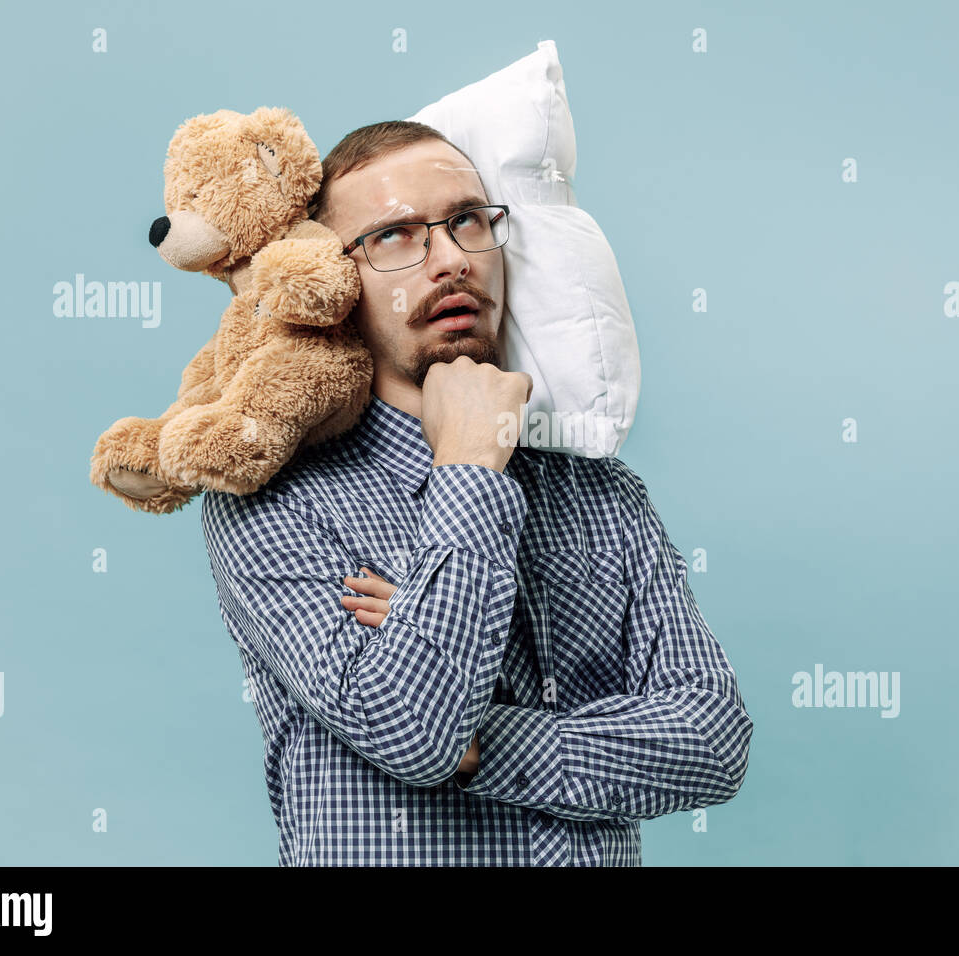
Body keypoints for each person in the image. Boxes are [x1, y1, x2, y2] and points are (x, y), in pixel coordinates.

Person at [200, 120, 754, 866]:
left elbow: (714, 742)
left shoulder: (602, 494)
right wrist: (467, 467)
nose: (452, 260)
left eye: (467, 221)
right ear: (334, 283)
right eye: (396, 236)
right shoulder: (272, 498)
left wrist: (482, 734)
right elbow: (414, 731)